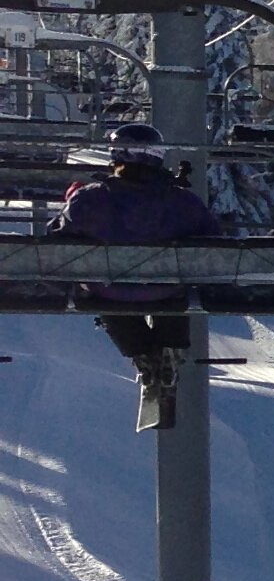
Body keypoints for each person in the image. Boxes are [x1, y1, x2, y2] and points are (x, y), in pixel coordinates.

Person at [53, 122, 218, 431]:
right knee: (174, 291)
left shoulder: (89, 198)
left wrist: (72, 203)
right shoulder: (182, 202)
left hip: (108, 290)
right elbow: (213, 243)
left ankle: (143, 356)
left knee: (107, 296)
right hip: (165, 290)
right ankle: (169, 348)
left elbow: (59, 240)